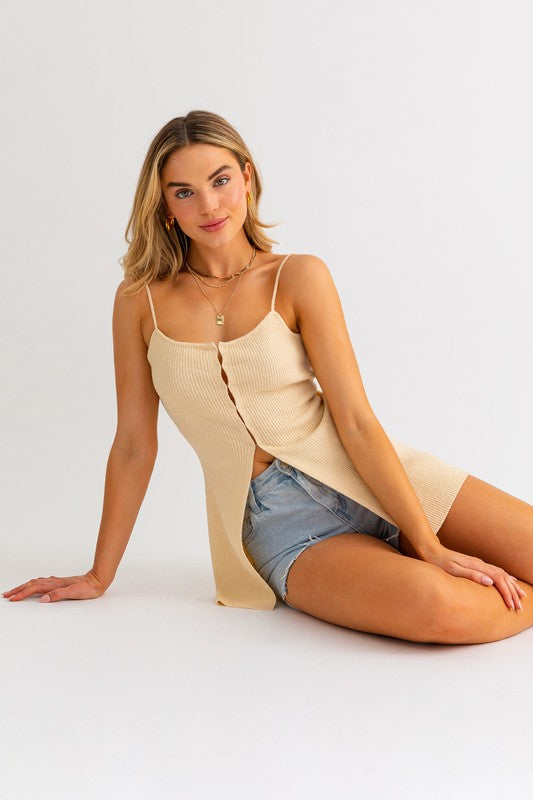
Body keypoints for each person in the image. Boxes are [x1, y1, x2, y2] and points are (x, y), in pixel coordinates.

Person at [4, 110, 532, 645]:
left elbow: (355, 419)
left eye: (220, 180)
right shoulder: (139, 301)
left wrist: (429, 544)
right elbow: (134, 446)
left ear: (247, 177)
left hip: (375, 473)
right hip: (280, 523)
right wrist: (99, 574)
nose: (209, 205)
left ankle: (445, 563)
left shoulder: (299, 276)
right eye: (184, 192)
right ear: (164, 205)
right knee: (441, 610)